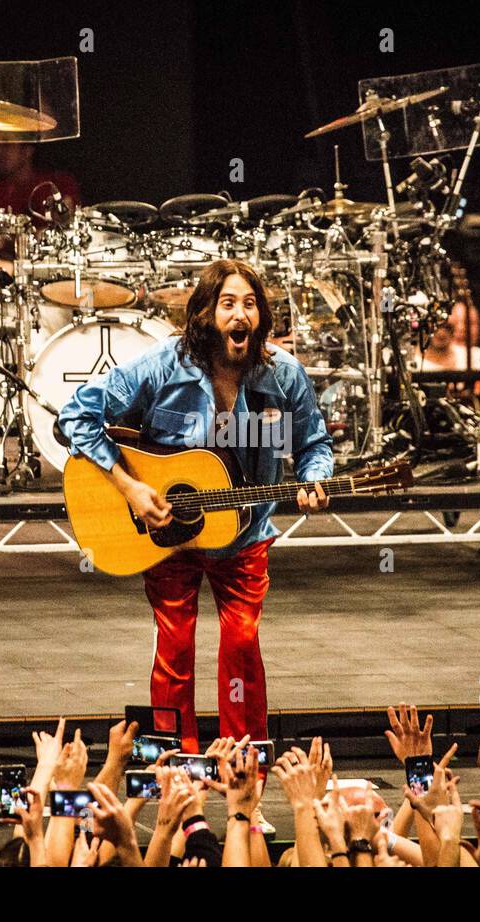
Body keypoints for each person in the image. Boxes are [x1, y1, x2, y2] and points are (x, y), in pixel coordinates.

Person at [58, 259, 333, 758]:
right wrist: (130, 489)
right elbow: (76, 415)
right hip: (169, 537)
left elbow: (314, 444)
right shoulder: (164, 364)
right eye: (228, 303)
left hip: (244, 536)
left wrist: (314, 479)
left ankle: (243, 770)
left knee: (243, 645)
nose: (240, 314)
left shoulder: (283, 375)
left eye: (250, 304)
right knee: (176, 646)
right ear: (206, 314)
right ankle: (172, 769)